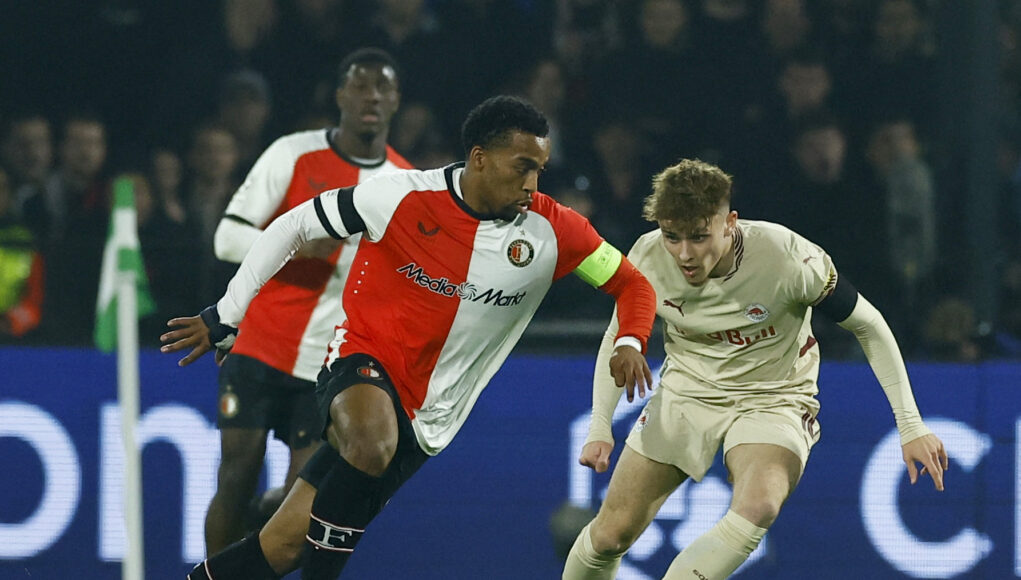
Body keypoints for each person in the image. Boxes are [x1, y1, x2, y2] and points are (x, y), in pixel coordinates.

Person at [160, 95, 657, 579]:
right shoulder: (400, 195)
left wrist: (631, 341)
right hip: (361, 359)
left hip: (432, 416)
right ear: (479, 159)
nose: (533, 182)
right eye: (522, 166)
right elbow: (294, 224)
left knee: (282, 546)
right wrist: (225, 314)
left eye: (540, 170)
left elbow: (632, 284)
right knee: (372, 442)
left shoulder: (555, 231)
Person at [562, 158, 948, 580]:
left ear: (729, 223)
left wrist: (910, 425)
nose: (685, 254)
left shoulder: (788, 258)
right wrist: (600, 424)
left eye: (698, 236)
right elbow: (619, 339)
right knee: (610, 536)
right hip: (687, 391)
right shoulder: (647, 256)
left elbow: (869, 325)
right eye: (672, 236)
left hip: (774, 396)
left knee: (759, 504)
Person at [200, 47, 413, 555]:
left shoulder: (406, 184)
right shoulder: (291, 153)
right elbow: (226, 238)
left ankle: (255, 538)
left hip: (328, 362)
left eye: (382, 88)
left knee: (300, 503)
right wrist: (293, 245)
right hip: (258, 343)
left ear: (396, 101)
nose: (371, 97)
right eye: (360, 85)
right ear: (340, 95)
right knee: (236, 474)